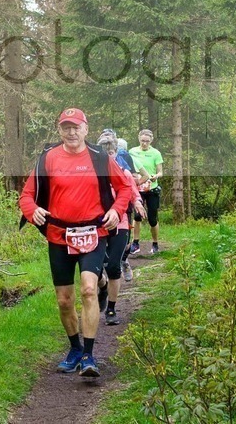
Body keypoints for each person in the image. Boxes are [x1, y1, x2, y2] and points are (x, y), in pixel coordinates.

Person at [19, 108, 134, 378]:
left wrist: (117, 210)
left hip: (94, 233)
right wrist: (31, 210)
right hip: (59, 235)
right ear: (59, 130)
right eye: (66, 127)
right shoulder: (47, 159)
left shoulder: (100, 159)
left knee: (88, 290)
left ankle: (89, 355)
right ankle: (74, 348)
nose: (71, 132)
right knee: (64, 300)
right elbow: (26, 196)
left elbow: (125, 188)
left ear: (86, 129)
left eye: (76, 127)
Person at [95, 129, 146, 326]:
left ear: (116, 152)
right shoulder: (92, 172)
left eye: (111, 149)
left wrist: (139, 202)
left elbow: (131, 189)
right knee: (97, 267)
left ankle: (111, 309)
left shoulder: (123, 171)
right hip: (97, 224)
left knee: (114, 266)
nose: (108, 153)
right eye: (104, 149)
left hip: (120, 222)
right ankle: (103, 286)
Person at [116, 137, 149, 281]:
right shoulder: (97, 160)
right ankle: (113, 264)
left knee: (124, 235)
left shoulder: (127, 157)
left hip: (124, 201)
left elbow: (140, 176)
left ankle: (123, 260)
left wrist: (132, 186)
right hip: (107, 205)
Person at [129, 129, 164, 255]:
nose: (144, 143)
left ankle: (155, 244)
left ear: (151, 141)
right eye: (143, 141)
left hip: (152, 188)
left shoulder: (156, 153)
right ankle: (135, 242)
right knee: (137, 216)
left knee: (152, 218)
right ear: (139, 139)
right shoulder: (132, 151)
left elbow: (161, 171)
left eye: (147, 141)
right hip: (138, 188)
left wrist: (156, 176)